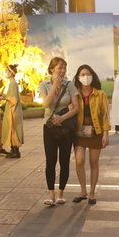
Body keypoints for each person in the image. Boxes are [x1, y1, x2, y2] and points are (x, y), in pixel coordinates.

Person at [39, 57, 81, 206]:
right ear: (52, 70)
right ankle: (50, 194)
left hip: (65, 128)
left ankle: (61, 193)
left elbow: (76, 107)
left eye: (64, 68)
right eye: (59, 68)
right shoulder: (44, 85)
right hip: (49, 127)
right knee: (50, 161)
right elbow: (46, 104)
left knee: (64, 161)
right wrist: (54, 86)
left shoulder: (69, 85)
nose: (62, 71)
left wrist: (62, 118)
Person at [71, 64, 111, 205]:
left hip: (96, 132)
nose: (85, 77)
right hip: (79, 132)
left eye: (88, 74)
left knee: (94, 162)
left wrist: (106, 134)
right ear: (78, 77)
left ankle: (92, 192)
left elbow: (105, 116)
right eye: (82, 75)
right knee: (79, 160)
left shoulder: (100, 94)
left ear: (92, 76)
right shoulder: (75, 94)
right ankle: (83, 190)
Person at [0, 64, 24, 158]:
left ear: (11, 73)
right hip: (12, 109)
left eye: (7, 71)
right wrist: (3, 96)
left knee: (13, 129)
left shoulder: (13, 84)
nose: (5, 73)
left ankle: (15, 151)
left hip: (13, 111)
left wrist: (4, 98)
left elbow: (13, 99)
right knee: (12, 129)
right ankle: (13, 149)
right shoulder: (12, 84)